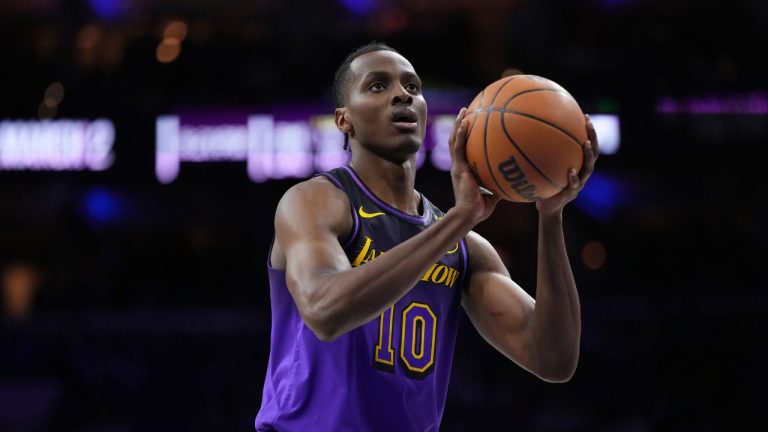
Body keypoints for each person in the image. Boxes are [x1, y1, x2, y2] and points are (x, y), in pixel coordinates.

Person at [255, 42, 598, 431]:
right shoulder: (316, 202)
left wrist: (550, 216)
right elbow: (325, 311)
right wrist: (459, 219)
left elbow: (553, 359)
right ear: (343, 120)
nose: (403, 94)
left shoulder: (464, 249)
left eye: (413, 87)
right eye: (378, 86)